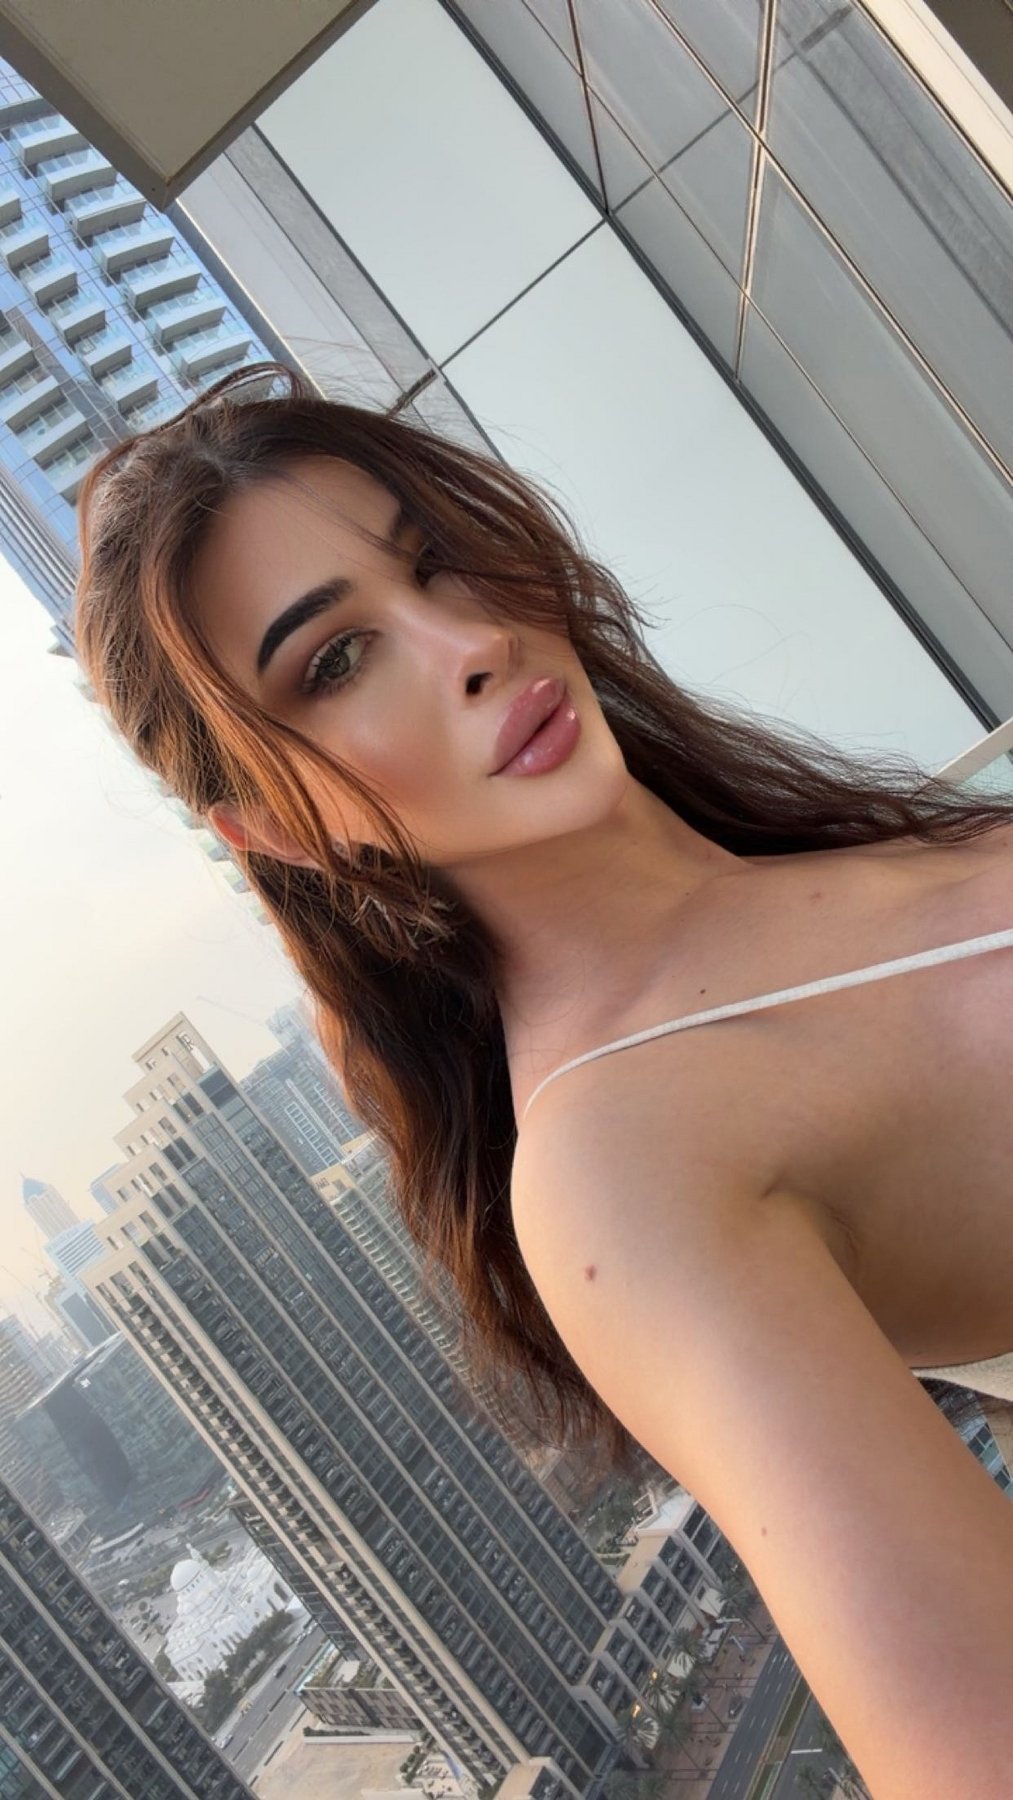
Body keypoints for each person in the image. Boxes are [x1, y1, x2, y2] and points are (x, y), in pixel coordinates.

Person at [74, 362, 1013, 1797]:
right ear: (279, 828)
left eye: (436, 561)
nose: (467, 641)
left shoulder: (829, 848)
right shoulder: (622, 1170)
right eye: (337, 659)